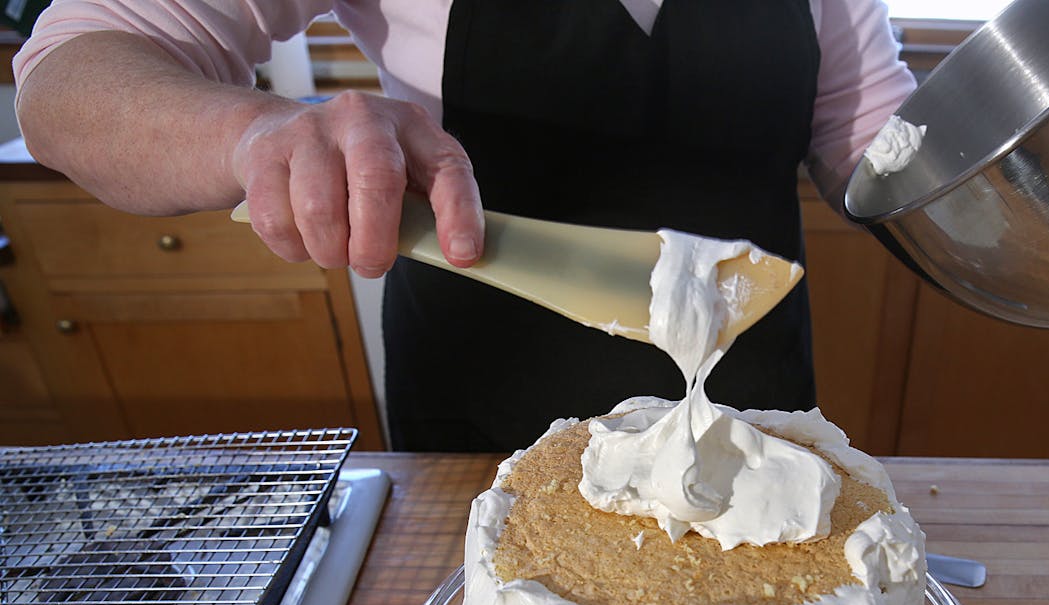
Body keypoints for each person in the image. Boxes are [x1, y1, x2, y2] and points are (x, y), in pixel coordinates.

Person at [13, 1, 916, 451]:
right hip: (489, 421)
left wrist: (996, 196)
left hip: (745, 402)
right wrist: (256, 132)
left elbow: (870, 133)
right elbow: (67, 76)